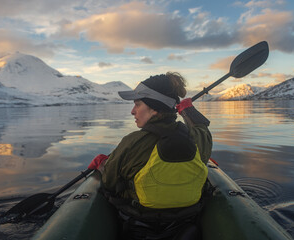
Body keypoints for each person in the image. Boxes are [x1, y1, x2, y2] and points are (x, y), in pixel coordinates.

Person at [88, 72, 212, 240]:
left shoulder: (131, 142)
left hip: (139, 226)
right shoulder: (197, 139)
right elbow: (202, 129)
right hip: (185, 223)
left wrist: (103, 165)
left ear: (154, 108)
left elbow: (109, 183)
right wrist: (188, 111)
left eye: (137, 104)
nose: (133, 111)